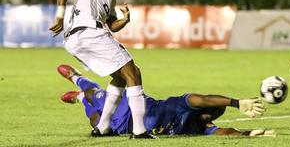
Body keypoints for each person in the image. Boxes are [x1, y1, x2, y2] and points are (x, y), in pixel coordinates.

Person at [48, 0, 153, 139]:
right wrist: (59, 15)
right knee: (133, 72)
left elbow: (112, 25)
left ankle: (103, 127)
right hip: (87, 32)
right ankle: (139, 130)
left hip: (78, 39)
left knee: (121, 78)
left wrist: (125, 21)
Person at [57, 64, 274, 137]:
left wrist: (247, 134)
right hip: (132, 108)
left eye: (215, 114)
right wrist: (235, 103)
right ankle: (78, 80)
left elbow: (223, 132)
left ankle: (77, 100)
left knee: (95, 121)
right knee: (93, 95)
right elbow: (203, 98)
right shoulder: (182, 105)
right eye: (214, 110)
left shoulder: (199, 127)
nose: (212, 115)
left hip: (123, 128)